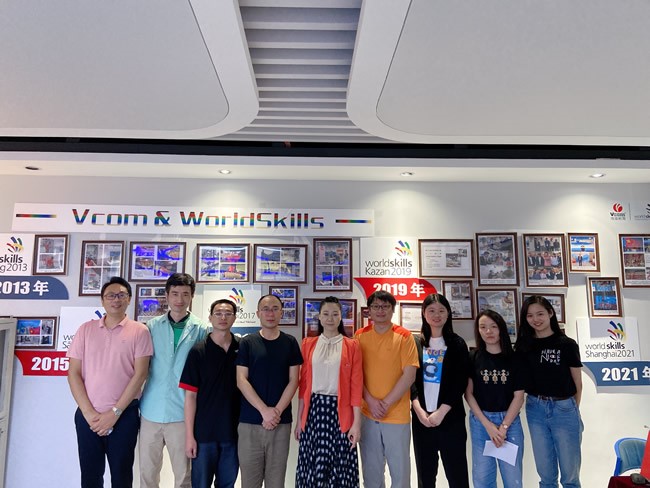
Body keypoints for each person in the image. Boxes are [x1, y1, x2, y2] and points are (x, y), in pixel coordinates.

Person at [67, 276, 153, 488]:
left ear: (129, 299)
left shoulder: (140, 331)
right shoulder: (85, 329)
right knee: (90, 476)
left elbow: (140, 374)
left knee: (122, 477)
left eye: (121, 295)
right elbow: (73, 373)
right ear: (102, 300)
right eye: (111, 295)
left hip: (124, 416)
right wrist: (89, 413)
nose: (116, 299)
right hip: (88, 417)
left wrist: (114, 413)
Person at [139, 273, 211, 488]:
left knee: (183, 476)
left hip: (182, 413)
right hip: (151, 410)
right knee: (147, 473)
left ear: (192, 296)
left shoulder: (202, 329)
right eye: (175, 294)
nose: (180, 299)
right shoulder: (151, 327)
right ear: (167, 296)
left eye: (185, 294)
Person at [236, 294, 303, 488]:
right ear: (258, 313)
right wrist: (264, 410)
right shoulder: (247, 342)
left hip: (280, 423)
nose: (270, 313)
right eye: (265, 309)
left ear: (282, 313)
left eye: (275, 309)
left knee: (276, 482)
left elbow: (294, 380)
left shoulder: (290, 342)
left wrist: (276, 412)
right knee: (250, 483)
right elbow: (241, 380)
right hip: (249, 422)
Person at [515, 296, 583, 488]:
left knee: (570, 477)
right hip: (535, 408)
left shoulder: (567, 344)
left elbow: (578, 383)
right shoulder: (524, 346)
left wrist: (571, 409)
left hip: (564, 408)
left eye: (540, 314)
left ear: (551, 313)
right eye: (530, 315)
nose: (535, 319)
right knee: (546, 476)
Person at [295, 296, 363, 488]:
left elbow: (356, 386)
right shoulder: (308, 344)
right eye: (326, 314)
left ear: (341, 317)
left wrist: (356, 424)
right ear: (319, 317)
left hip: (341, 413)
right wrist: (300, 420)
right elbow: (303, 385)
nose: (330, 318)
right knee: (312, 464)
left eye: (335, 314)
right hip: (314, 412)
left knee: (339, 466)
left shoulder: (352, 345)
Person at [354, 290, 418, 488]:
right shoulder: (359, 336)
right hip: (367, 414)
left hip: (397, 415)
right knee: (371, 474)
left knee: (400, 473)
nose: (380, 310)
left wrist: (385, 404)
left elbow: (409, 375)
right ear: (369, 310)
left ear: (392, 310)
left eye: (385, 306)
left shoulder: (405, 336)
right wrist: (371, 402)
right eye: (376, 306)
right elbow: (355, 375)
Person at [410, 293, 470, 488]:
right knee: (425, 478)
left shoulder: (457, 344)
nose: (437, 315)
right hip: (422, 420)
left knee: (457, 476)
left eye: (441, 311)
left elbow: (460, 381)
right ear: (424, 314)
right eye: (431, 310)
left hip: (450, 419)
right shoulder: (415, 343)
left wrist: (441, 412)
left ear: (448, 314)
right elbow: (410, 380)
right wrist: (419, 410)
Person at [180, 299, 241, 488]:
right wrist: (189, 436)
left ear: (234, 318)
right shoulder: (198, 351)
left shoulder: (242, 348)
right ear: (210, 317)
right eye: (218, 313)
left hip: (233, 433)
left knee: (227, 484)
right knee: (201, 484)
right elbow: (190, 397)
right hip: (204, 435)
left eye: (228, 313)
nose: (223, 317)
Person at [465, 310, 525, 488]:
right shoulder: (473, 357)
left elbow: (519, 397)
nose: (488, 331)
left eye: (493, 326)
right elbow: (468, 394)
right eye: (483, 327)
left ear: (501, 329)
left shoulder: (515, 358)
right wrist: (488, 425)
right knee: (483, 479)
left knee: (513, 479)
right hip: (481, 423)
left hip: (510, 423)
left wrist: (503, 427)